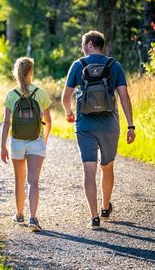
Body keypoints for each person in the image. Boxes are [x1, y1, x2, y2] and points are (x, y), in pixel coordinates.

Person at [61, 30, 135, 230]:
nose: (82, 47)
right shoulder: (114, 66)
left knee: (89, 168)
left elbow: (65, 97)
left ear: (91, 44)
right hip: (110, 125)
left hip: (84, 125)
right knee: (107, 167)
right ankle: (104, 207)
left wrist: (69, 113)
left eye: (84, 44)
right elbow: (124, 97)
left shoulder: (78, 65)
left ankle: (94, 218)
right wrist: (130, 125)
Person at [1, 57, 52, 232]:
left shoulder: (11, 95)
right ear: (30, 72)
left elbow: (6, 123)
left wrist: (3, 146)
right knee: (33, 181)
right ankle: (33, 218)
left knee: (19, 180)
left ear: (16, 73)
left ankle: (19, 214)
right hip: (35, 141)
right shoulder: (40, 93)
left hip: (16, 142)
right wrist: (43, 141)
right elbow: (49, 121)